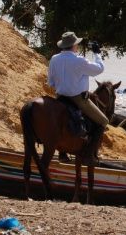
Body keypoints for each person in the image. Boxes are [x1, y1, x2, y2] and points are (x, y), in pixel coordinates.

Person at [47, 31, 109, 165]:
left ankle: (62, 153)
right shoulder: (79, 60)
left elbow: (50, 82)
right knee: (103, 121)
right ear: (74, 45)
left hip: (60, 97)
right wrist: (97, 54)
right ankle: (89, 154)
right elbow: (99, 69)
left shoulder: (54, 58)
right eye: (77, 45)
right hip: (78, 99)